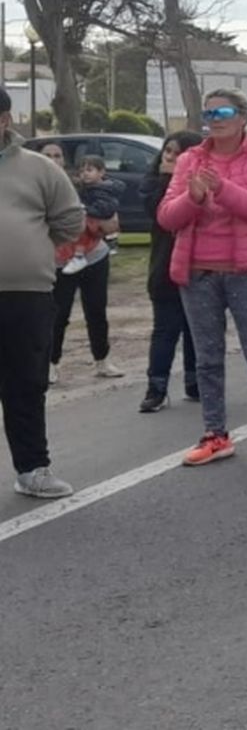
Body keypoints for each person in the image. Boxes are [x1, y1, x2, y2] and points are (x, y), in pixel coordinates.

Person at [157, 87, 247, 466]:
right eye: (209, 113)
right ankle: (215, 434)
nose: (214, 120)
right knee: (206, 359)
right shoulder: (189, 160)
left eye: (223, 112)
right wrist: (194, 198)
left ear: (243, 118)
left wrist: (222, 188)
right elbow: (167, 217)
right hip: (198, 272)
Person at [0, 86, 84, 497]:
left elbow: (69, 221)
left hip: (26, 295)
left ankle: (32, 469)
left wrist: (29, 249)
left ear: (4, 120)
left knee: (25, 384)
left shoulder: (39, 168)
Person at [140, 131, 203, 412]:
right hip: (164, 267)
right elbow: (160, 214)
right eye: (168, 152)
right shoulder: (153, 182)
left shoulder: (201, 184)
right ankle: (156, 387)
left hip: (198, 266)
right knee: (165, 330)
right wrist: (168, 179)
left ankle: (195, 381)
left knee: (196, 330)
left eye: (179, 153)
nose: (171, 158)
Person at [50, 154, 124, 382]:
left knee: (96, 311)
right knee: (58, 314)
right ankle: (51, 363)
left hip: (93, 255)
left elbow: (111, 222)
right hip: (58, 259)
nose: (53, 160)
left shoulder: (82, 186)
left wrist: (100, 220)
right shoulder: (41, 187)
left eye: (58, 156)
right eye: (47, 156)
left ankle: (102, 360)